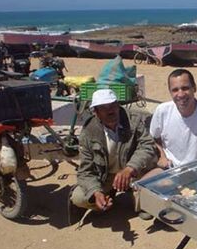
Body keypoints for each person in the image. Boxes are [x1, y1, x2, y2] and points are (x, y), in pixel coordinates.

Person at [68, 89, 158, 225]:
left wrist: (130, 168)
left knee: (155, 178)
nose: (110, 111)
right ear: (96, 112)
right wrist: (96, 193)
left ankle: (140, 201)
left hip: (133, 173)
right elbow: (85, 171)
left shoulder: (133, 120)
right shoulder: (88, 132)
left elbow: (147, 145)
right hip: (106, 176)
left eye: (113, 106)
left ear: (118, 106)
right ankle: (106, 198)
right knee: (79, 197)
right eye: (104, 108)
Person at [149, 69, 197, 169]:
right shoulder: (162, 111)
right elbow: (154, 137)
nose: (180, 94)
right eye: (175, 90)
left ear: (194, 88)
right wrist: (162, 156)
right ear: (170, 92)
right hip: (170, 170)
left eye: (185, 88)